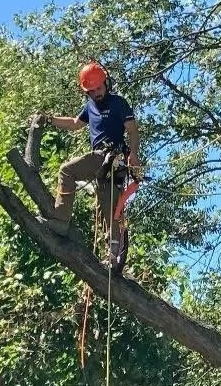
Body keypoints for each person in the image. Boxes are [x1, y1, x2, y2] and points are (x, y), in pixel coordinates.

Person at [37, 61, 141, 264]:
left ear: (106, 84)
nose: (96, 94)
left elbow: (132, 130)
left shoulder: (118, 103)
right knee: (104, 206)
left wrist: (134, 154)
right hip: (100, 161)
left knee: (75, 177)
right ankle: (111, 254)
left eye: (99, 89)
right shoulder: (90, 106)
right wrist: (50, 120)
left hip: (112, 157)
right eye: (91, 91)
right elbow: (75, 124)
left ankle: (111, 254)